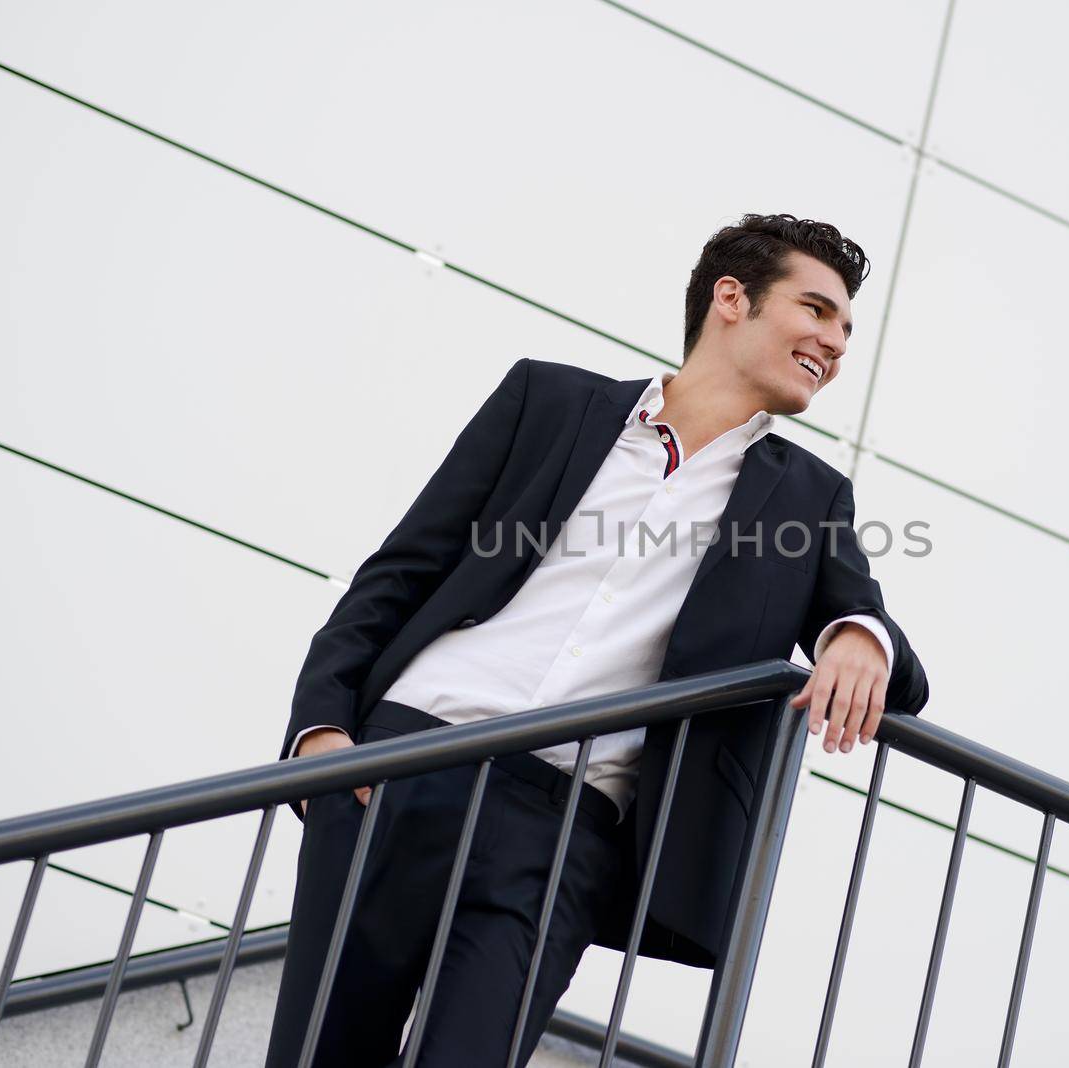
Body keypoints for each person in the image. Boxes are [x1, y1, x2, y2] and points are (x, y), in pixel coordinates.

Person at [264, 213, 930, 1067]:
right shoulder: (548, 402)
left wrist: (860, 638)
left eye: (845, 328)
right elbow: (399, 572)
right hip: (400, 767)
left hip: (563, 832)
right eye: (817, 309)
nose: (835, 342)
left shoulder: (805, 497)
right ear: (732, 298)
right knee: (322, 1052)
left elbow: (878, 631)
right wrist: (321, 730)